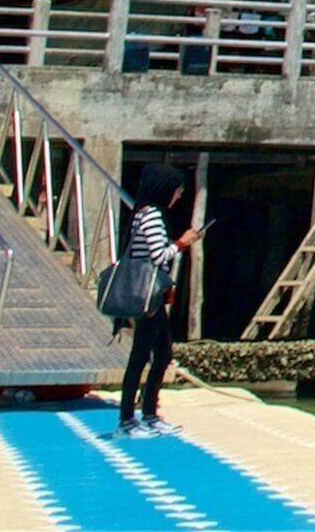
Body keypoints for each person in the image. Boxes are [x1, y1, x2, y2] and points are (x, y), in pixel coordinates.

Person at [116, 160, 198, 437]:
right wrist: (182, 243)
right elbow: (158, 256)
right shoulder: (151, 215)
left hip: (152, 295)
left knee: (162, 354)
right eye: (178, 189)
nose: (180, 195)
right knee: (141, 355)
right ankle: (127, 420)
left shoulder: (144, 213)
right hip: (147, 295)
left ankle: (149, 413)